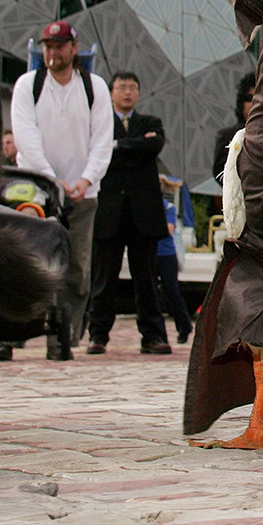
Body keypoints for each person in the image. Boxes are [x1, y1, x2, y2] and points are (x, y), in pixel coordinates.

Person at [8, 21, 113, 360]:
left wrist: (85, 179)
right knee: (25, 258)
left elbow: (102, 140)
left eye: (59, 46)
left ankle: (66, 332)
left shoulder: (94, 87)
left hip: (84, 191)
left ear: (73, 48)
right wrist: (52, 180)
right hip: (38, 190)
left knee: (78, 267)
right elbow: (26, 137)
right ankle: (12, 333)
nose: (53, 53)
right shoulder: (28, 85)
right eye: (48, 46)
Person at [86, 72, 172, 354]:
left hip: (143, 214)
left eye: (132, 88)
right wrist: (134, 146)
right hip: (109, 212)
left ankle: (153, 336)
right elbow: (96, 152)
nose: (127, 92)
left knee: (147, 279)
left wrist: (117, 146)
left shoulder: (151, 122)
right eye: (121, 87)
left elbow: (154, 145)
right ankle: (97, 335)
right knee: (103, 279)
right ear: (111, 92)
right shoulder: (99, 123)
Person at [156, 184, 193, 345]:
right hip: (151, 253)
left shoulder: (167, 207)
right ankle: (158, 332)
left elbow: (169, 228)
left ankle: (184, 325)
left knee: (171, 290)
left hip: (166, 254)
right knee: (152, 293)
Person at [212, 73, 255, 184]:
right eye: (249, 98)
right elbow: (220, 173)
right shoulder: (226, 136)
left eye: (259, 98)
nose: (253, 103)